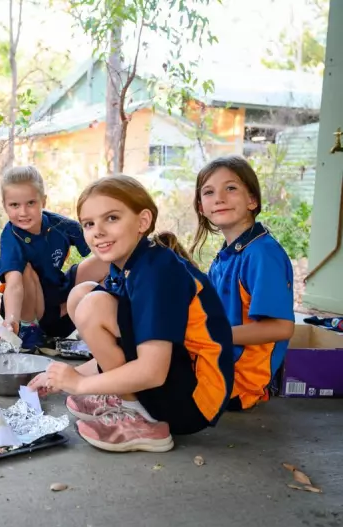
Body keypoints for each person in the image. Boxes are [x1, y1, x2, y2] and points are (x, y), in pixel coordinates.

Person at [29, 175, 234, 453]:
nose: (97, 231)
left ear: (143, 221)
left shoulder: (157, 272)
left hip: (193, 400)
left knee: (93, 304)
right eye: (89, 224)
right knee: (82, 294)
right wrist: (63, 377)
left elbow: (152, 371)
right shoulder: (127, 263)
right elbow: (124, 346)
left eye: (111, 218)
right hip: (176, 379)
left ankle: (139, 417)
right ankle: (125, 398)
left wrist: (78, 384)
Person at [191, 155, 295, 410]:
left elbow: (281, 328)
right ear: (201, 207)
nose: (219, 198)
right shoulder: (227, 256)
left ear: (252, 200)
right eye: (209, 192)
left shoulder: (261, 254)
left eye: (231, 188)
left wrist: (210, 336)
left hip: (238, 382)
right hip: (214, 365)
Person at [0, 165, 108, 351]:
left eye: (31, 203)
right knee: (23, 269)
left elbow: (99, 242)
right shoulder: (11, 237)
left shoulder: (60, 225)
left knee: (108, 259)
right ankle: (28, 330)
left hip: (61, 308)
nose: (23, 212)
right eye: (15, 205)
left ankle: (101, 321)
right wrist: (11, 319)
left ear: (43, 201)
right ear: (5, 206)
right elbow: (14, 284)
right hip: (30, 311)